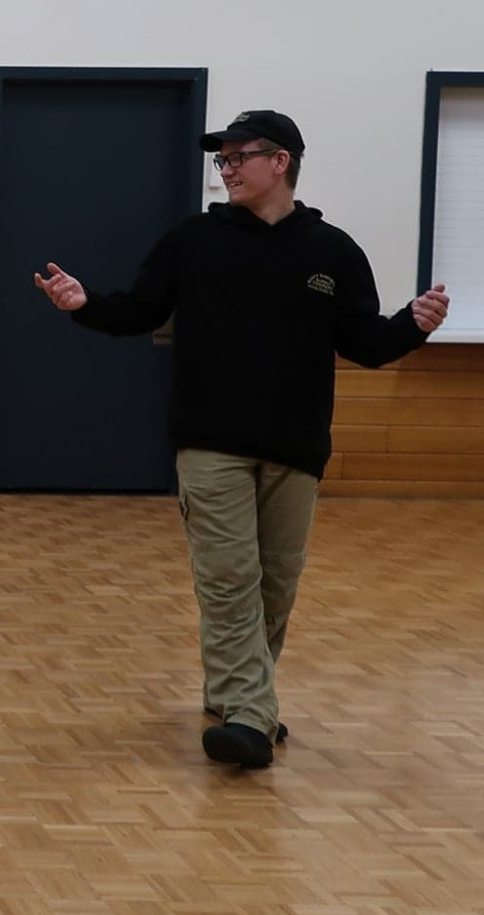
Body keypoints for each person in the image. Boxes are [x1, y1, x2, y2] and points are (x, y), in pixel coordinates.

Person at [35, 109, 449, 768]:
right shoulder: (193, 240)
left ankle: (232, 694)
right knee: (229, 578)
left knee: (274, 584)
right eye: (221, 160)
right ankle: (253, 717)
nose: (225, 170)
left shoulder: (333, 251)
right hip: (210, 441)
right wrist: (85, 304)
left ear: (280, 161)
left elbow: (365, 343)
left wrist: (414, 325)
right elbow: (140, 309)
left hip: (297, 445)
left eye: (237, 157)